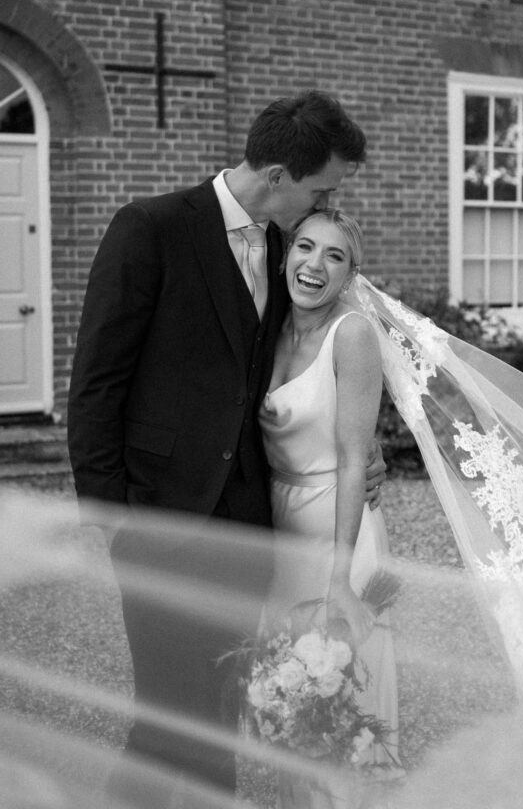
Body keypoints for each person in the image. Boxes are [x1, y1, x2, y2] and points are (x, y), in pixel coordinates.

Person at [66, 90, 386, 800]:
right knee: (165, 711)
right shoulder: (149, 228)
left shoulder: (285, 248)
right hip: (159, 516)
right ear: (279, 177)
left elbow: (285, 372)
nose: (321, 203)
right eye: (319, 187)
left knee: (222, 704)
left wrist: (353, 448)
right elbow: (94, 384)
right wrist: (109, 515)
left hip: (248, 525)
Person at [258, 208, 400, 809]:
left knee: (341, 704)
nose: (314, 265)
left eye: (334, 256)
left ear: (350, 276)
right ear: (286, 254)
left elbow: (351, 457)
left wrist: (340, 578)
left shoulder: (354, 336)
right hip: (278, 527)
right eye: (306, 248)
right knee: (285, 700)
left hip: (339, 529)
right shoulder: (264, 328)